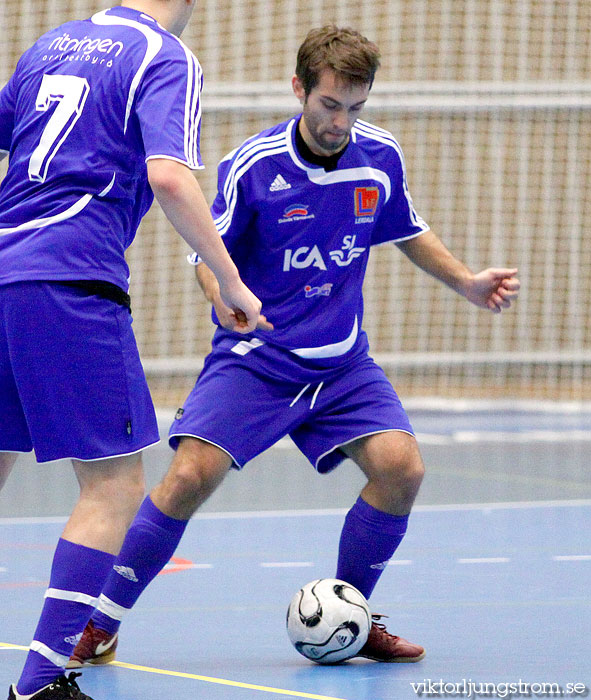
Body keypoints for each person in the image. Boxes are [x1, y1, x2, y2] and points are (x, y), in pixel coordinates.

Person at [68, 25, 520, 669]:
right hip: (258, 358)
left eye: (356, 108)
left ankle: (350, 618)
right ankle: (102, 623)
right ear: (300, 90)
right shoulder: (255, 165)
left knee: (402, 468)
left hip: (343, 364)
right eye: (330, 105)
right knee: (190, 475)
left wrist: (467, 282)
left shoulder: (380, 156)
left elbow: (408, 230)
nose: (342, 123)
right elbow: (206, 249)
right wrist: (219, 294)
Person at [0, 1, 263, 698]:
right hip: (69, 279)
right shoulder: (164, 57)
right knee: (113, 485)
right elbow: (170, 177)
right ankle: (40, 684)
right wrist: (230, 281)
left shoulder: (52, 43)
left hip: (4, 269)